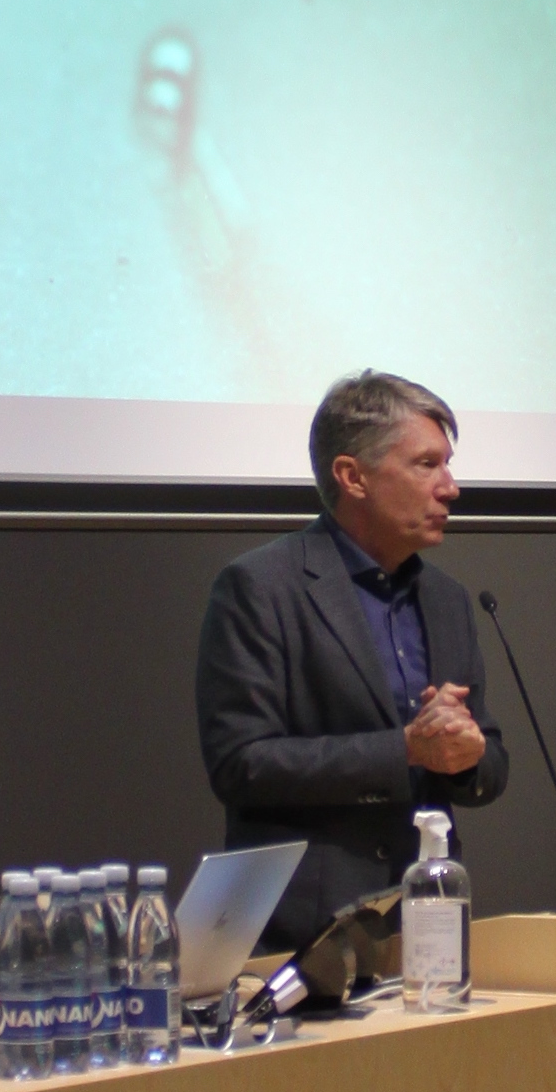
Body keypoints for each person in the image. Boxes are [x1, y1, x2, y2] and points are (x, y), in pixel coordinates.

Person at [196, 369, 511, 950]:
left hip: (427, 930)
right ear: (352, 476)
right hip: (302, 939)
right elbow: (241, 764)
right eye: (426, 465)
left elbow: (487, 766)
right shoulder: (262, 587)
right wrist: (405, 750)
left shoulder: (447, 601)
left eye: (447, 465)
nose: (450, 487)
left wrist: (467, 757)